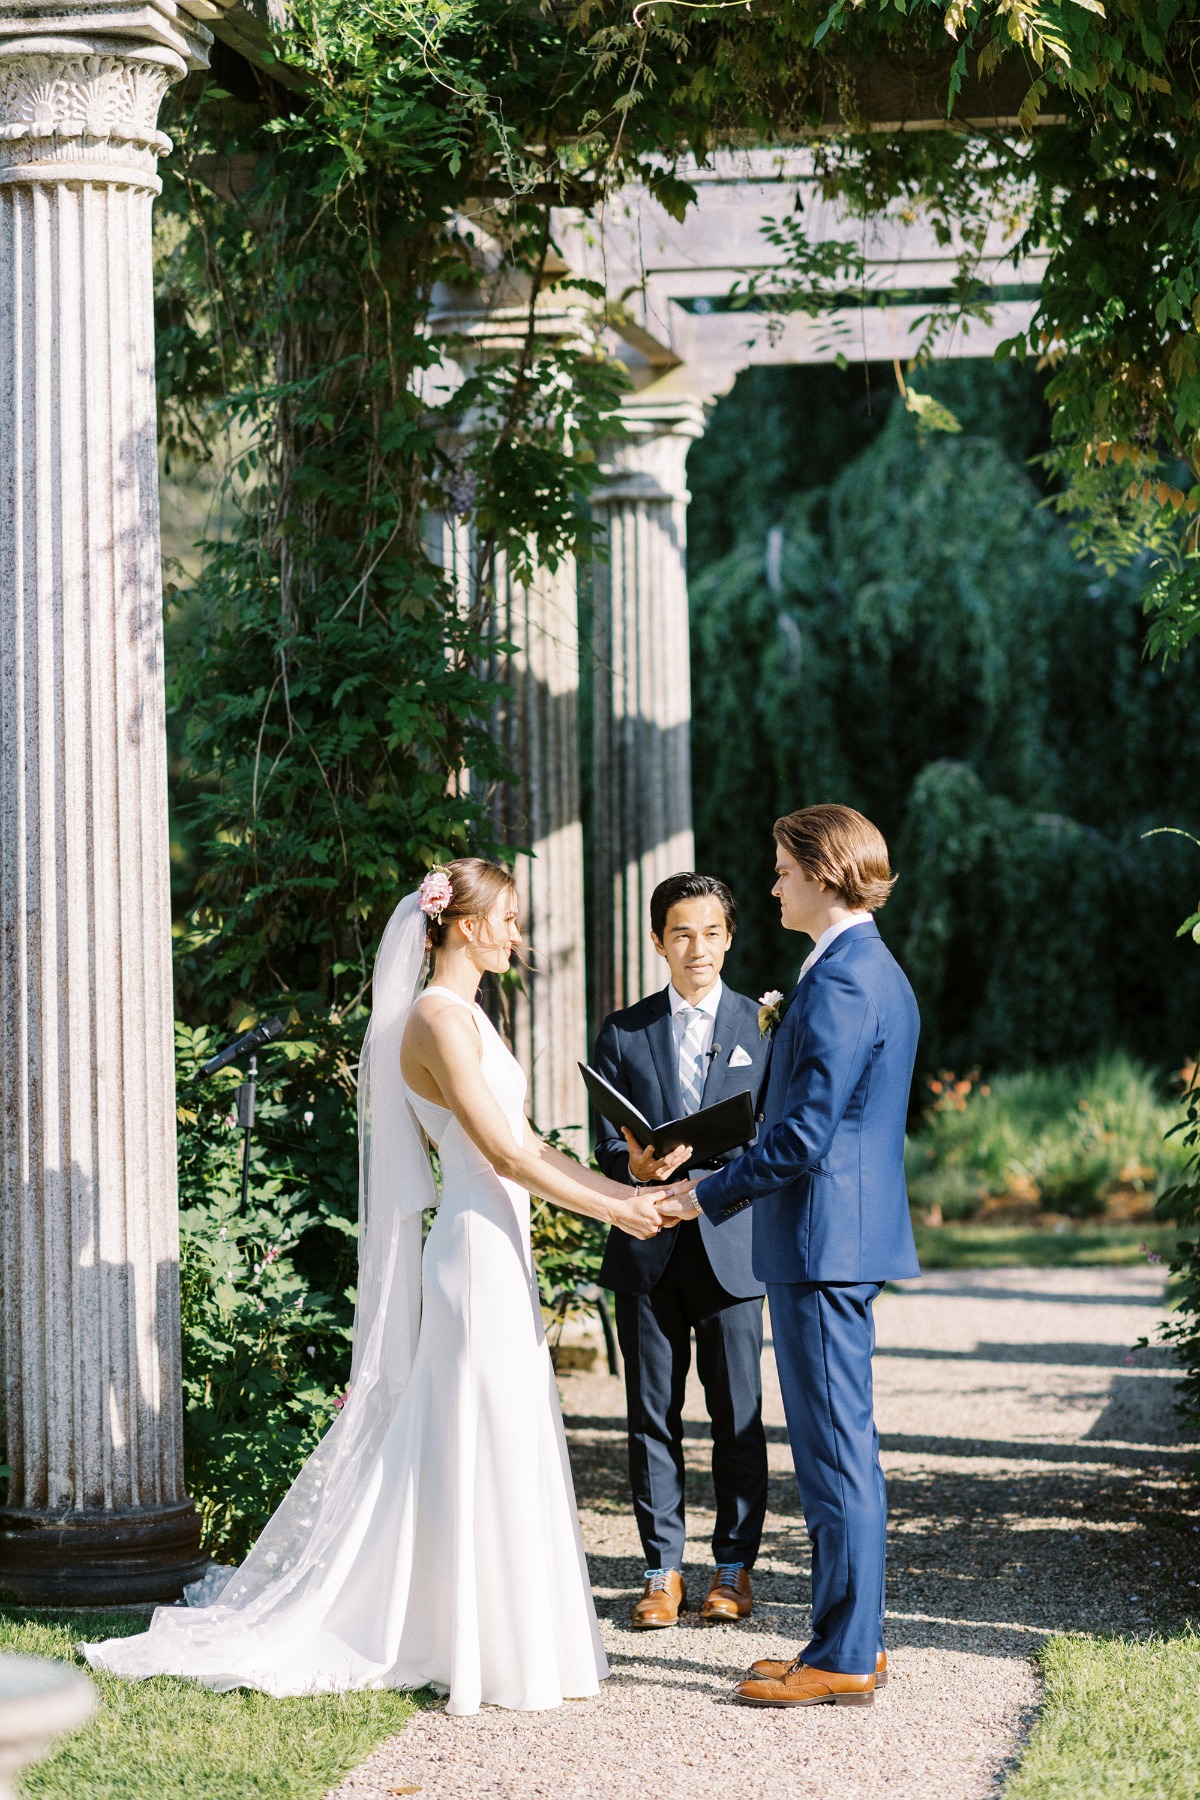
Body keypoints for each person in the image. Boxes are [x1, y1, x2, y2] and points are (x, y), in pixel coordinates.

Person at [83, 858, 689, 1714]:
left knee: (500, 1431)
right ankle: (477, 1643)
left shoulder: (468, 1019)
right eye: (508, 919)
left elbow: (526, 1145)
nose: (517, 933)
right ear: (466, 925)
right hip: (472, 1254)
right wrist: (616, 1213)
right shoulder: (437, 1021)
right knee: (481, 1433)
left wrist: (628, 1194)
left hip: (496, 1241)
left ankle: (497, 1634)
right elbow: (507, 1155)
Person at [658, 807, 920, 1707]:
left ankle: (845, 1656)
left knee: (835, 1453)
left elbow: (804, 1136)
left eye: (780, 870)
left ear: (822, 871)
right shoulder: (852, 966)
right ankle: (850, 1640)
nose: (771, 885)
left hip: (822, 1244)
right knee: (837, 1449)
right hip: (829, 1241)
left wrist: (702, 1191)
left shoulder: (846, 978)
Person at [592, 872, 770, 1629]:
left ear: (729, 937)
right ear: (660, 941)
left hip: (734, 1248)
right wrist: (632, 1169)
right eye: (680, 934)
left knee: (738, 1416)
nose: (696, 948)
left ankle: (733, 1570)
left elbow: (777, 1131)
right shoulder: (623, 1031)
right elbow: (605, 1140)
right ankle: (661, 1572)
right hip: (649, 1245)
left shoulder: (764, 1025)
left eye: (710, 932)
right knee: (650, 1417)